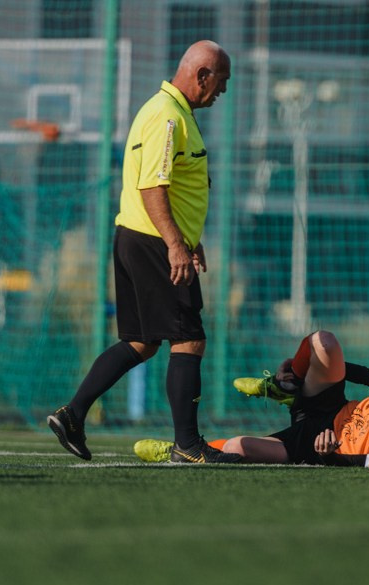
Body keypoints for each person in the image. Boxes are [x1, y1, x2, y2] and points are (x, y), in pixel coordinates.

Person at [47, 40, 241, 464]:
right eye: (221, 81)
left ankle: (73, 414)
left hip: (141, 238)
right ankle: (188, 446)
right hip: (153, 241)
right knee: (189, 340)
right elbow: (153, 186)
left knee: (141, 342)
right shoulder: (168, 117)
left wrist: (190, 238)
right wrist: (174, 244)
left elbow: (175, 186)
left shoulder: (168, 111)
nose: (223, 90)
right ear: (202, 75)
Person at [135, 330, 369, 468]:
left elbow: (355, 465)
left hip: (315, 444)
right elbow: (362, 374)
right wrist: (306, 375)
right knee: (324, 341)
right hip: (329, 404)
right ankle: (282, 386)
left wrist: (326, 454)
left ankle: (175, 450)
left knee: (236, 449)